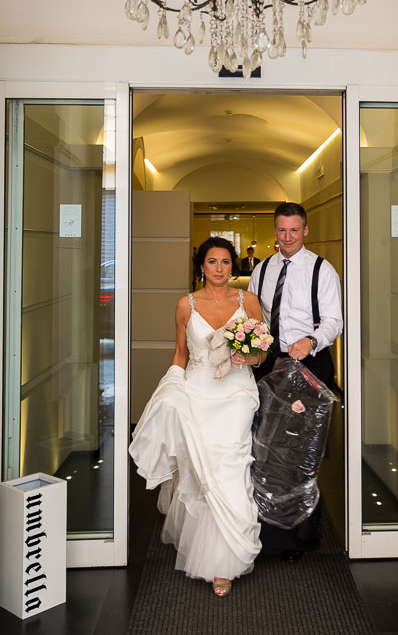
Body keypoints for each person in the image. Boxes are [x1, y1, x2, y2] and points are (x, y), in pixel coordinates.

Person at [129, 237, 266, 597]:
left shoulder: (248, 301)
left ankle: (227, 561)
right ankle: (208, 551)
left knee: (230, 464)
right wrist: (172, 389)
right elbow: (180, 353)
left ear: (232, 266)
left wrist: (251, 358)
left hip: (237, 392)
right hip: (198, 391)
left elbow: (262, 354)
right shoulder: (184, 305)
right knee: (202, 470)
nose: (219, 268)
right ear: (201, 266)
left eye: (225, 262)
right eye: (212, 261)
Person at [248, 201, 343, 559]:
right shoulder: (262, 269)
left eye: (294, 230)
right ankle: (267, 528)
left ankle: (302, 534)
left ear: (306, 231)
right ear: (275, 231)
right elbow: (256, 314)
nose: (287, 237)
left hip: (310, 367)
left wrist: (312, 339)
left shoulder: (322, 270)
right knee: (267, 447)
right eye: (281, 230)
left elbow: (335, 320)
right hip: (270, 367)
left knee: (302, 451)